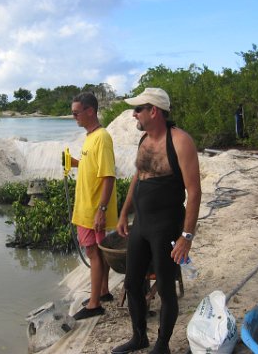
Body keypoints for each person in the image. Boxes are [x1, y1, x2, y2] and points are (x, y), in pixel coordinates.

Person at [111, 88, 201, 354]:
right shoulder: (144, 141)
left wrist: (187, 237)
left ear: (154, 111)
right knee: (132, 284)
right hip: (141, 225)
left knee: (165, 288)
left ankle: (162, 345)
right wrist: (124, 213)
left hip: (166, 227)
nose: (133, 114)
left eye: (138, 109)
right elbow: (138, 178)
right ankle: (140, 337)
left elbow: (194, 192)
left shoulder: (180, 142)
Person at [70, 92, 118, 320]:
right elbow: (94, 167)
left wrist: (101, 210)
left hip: (92, 210)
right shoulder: (90, 137)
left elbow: (108, 176)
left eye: (76, 113)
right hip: (86, 207)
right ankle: (103, 291)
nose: (74, 117)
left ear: (90, 111)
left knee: (93, 253)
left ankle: (94, 304)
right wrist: (75, 163)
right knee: (98, 253)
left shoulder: (102, 137)